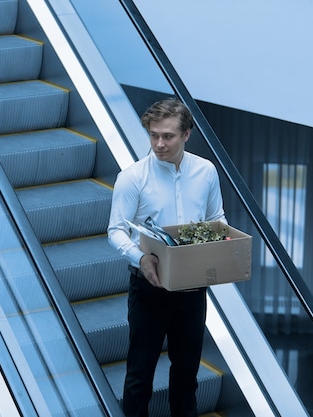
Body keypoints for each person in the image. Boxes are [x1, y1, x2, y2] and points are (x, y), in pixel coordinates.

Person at [107, 98, 226, 417]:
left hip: (192, 290)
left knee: (187, 377)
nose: (159, 144)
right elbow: (115, 230)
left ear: (187, 134)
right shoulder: (132, 177)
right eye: (153, 135)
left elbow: (217, 218)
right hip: (149, 289)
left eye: (168, 136)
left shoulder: (206, 172)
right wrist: (140, 258)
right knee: (139, 377)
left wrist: (218, 247)